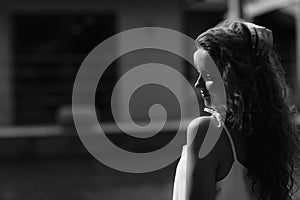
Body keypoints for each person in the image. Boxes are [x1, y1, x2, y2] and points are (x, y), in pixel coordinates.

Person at [172, 19, 300, 200]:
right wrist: (239, 30)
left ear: (233, 78)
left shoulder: (206, 131)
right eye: (198, 73)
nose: (198, 83)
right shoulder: (267, 136)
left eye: (207, 75)